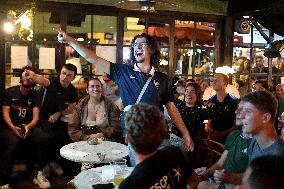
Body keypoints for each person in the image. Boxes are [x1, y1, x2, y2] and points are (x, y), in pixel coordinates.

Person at [57, 31, 194, 166]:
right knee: (139, 173)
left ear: (152, 49)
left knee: (162, 172)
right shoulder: (123, 72)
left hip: (158, 135)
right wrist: (70, 40)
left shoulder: (162, 79)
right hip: (135, 135)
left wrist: (185, 133)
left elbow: (171, 108)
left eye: (141, 45)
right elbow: (93, 58)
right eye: (134, 45)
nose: (136, 48)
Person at [119, 103, 198, 189]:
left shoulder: (129, 185)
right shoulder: (174, 153)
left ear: (127, 139)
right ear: (161, 136)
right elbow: (194, 180)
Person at [0, 66, 52, 189]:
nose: (27, 78)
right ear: (20, 77)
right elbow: (5, 114)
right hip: (10, 127)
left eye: (30, 76)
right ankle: (4, 180)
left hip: (28, 126)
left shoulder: (35, 95)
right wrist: (13, 128)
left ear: (34, 80)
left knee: (45, 138)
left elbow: (35, 117)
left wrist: (28, 127)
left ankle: (38, 173)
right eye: (25, 75)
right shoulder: (9, 92)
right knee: (13, 142)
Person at [24, 63, 78, 176]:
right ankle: (43, 166)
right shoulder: (52, 82)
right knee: (49, 136)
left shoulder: (72, 90)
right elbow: (41, 80)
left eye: (69, 75)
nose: (65, 77)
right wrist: (31, 74)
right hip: (42, 115)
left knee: (63, 136)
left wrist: (59, 113)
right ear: (60, 73)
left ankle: (53, 162)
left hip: (57, 116)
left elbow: (71, 108)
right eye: (63, 73)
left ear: (73, 77)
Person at [198, 101, 252, 188]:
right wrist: (202, 176)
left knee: (201, 185)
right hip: (221, 180)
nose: (236, 111)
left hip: (234, 185)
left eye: (242, 109)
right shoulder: (234, 135)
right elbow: (220, 164)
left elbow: (252, 181)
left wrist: (217, 186)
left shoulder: (256, 143)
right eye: (237, 108)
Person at [239, 90, 284, 163]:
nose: (241, 116)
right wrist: (230, 175)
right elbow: (254, 174)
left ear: (265, 118)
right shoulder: (255, 141)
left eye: (248, 111)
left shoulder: (279, 155)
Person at [170, 83, 208, 165]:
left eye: (192, 91)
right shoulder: (179, 104)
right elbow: (169, 93)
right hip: (172, 140)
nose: (188, 93)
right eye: (186, 91)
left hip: (186, 144)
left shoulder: (200, 112)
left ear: (197, 94)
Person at [206, 73, 239, 144]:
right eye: (213, 80)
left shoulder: (233, 101)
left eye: (217, 80)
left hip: (230, 139)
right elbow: (210, 119)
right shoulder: (211, 100)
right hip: (214, 138)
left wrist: (221, 134)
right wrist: (210, 133)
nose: (213, 82)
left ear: (225, 83)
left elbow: (238, 125)